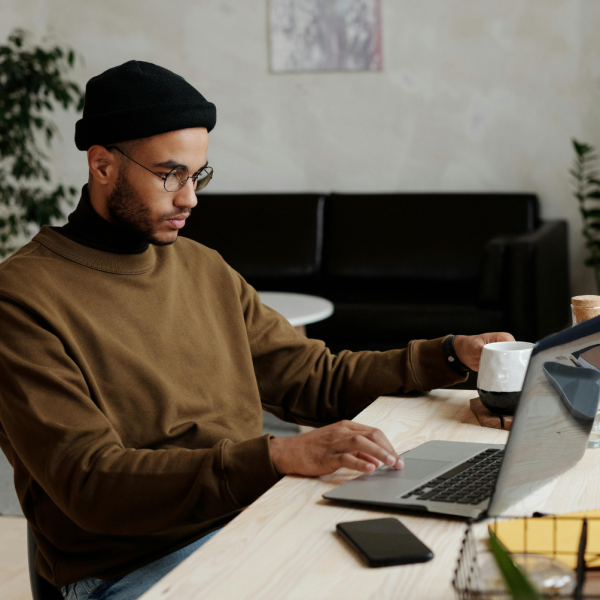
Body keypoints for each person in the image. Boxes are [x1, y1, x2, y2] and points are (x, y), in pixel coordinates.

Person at [0, 61, 514, 600]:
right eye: (169, 174)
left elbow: (314, 379)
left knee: (454, 573)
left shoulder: (203, 267)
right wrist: (276, 457)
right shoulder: (22, 297)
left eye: (198, 175)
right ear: (102, 165)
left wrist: (452, 356)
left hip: (253, 522)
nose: (189, 198)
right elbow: (91, 481)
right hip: (134, 568)